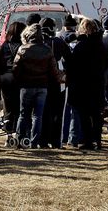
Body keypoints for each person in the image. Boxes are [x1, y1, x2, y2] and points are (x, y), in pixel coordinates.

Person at [12, 22, 61, 149]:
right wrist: (57, 80)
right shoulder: (47, 50)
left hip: (26, 85)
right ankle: (34, 141)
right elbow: (53, 70)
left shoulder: (23, 49)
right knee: (38, 115)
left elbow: (15, 69)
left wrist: (19, 80)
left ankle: (20, 139)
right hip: (42, 86)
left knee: (23, 114)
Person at [67, 19, 108, 150]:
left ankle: (87, 140)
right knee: (96, 114)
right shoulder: (101, 45)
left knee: (84, 114)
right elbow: (105, 64)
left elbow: (73, 67)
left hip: (82, 84)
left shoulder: (80, 46)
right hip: (98, 82)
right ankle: (98, 139)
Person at [38, 17, 71, 149]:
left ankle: (42, 139)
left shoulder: (36, 42)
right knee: (57, 112)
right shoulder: (58, 42)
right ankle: (56, 140)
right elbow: (69, 59)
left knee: (42, 112)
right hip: (57, 82)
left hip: (40, 80)